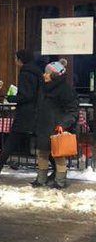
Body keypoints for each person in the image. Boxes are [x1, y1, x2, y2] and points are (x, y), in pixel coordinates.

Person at [0, 50, 42, 178]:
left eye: (16, 59)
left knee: (12, 141)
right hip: (34, 112)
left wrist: (11, 98)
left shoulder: (26, 73)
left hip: (26, 114)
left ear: (21, 60)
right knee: (39, 142)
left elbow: (26, 95)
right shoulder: (36, 72)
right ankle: (59, 170)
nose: (15, 62)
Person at [33, 60, 79, 190]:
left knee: (59, 156)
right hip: (43, 126)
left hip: (56, 128)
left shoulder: (65, 90)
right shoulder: (43, 87)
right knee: (42, 153)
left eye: (47, 73)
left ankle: (60, 182)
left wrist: (63, 124)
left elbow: (72, 110)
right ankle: (40, 180)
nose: (44, 75)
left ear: (54, 75)